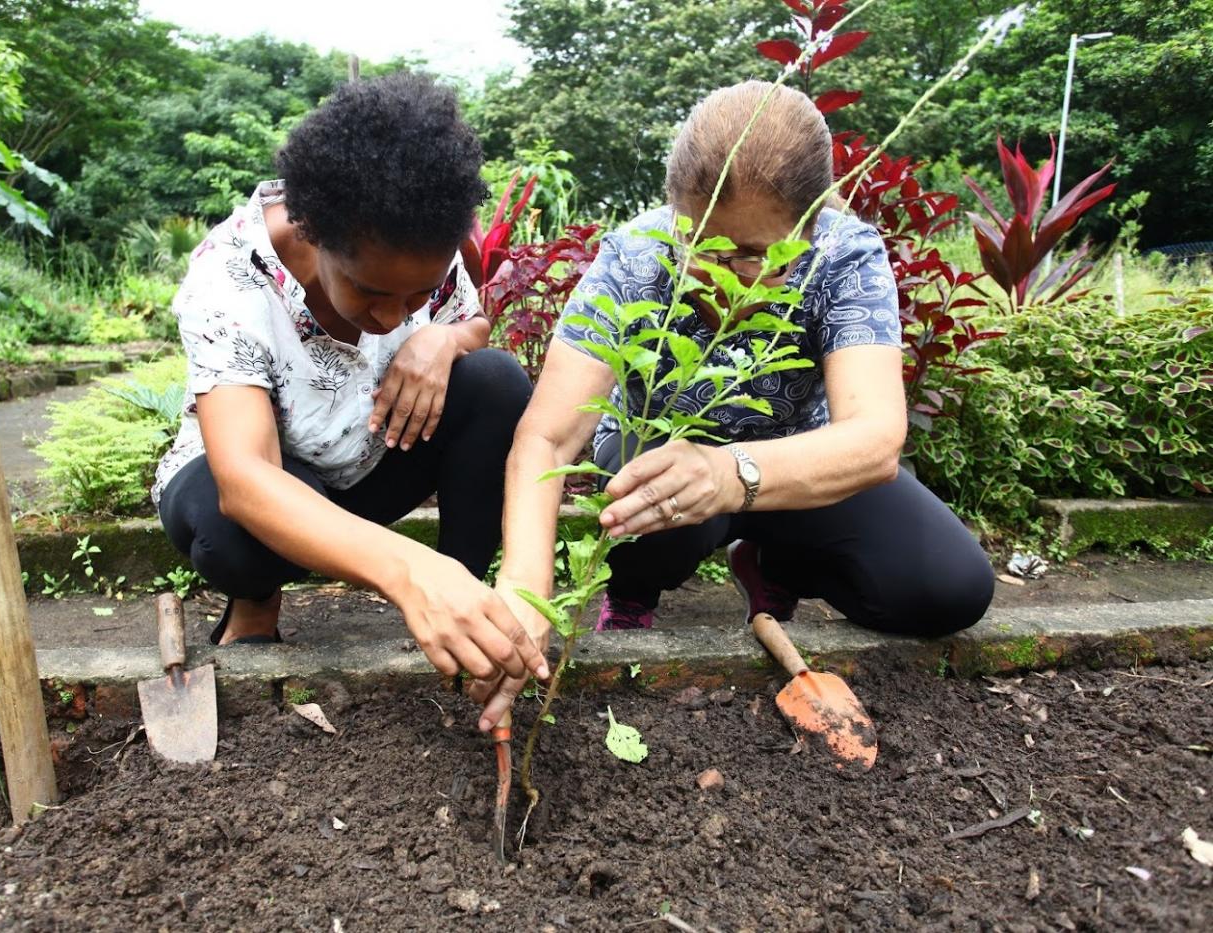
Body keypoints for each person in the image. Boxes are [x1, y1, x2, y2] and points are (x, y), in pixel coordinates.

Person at [473, 80, 993, 732]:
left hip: (788, 470)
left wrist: (726, 473)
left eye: (748, 252)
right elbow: (545, 440)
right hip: (655, 463)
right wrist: (525, 592)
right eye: (697, 240)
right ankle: (635, 583)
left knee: (950, 586)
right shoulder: (633, 258)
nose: (710, 267)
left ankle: (772, 562)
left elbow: (876, 436)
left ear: (809, 225)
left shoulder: (843, 257)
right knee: (653, 470)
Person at [154, 74, 548, 689]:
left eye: (416, 294)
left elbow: (471, 323)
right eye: (370, 291)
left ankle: (463, 602)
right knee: (235, 535)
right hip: (265, 484)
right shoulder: (231, 276)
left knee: (496, 382)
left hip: (367, 459)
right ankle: (257, 604)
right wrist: (407, 570)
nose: (393, 318)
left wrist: (440, 338)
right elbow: (245, 482)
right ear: (312, 233)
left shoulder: (426, 241)